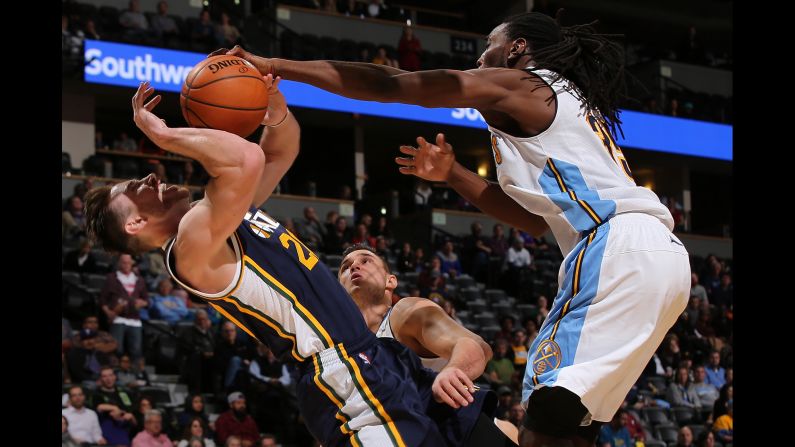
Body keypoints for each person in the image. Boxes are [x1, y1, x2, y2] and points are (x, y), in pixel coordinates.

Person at [219, 10, 690, 446]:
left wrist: (276, 64)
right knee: (572, 424)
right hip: (660, 261)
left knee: (542, 415)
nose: (480, 57)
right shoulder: (556, 106)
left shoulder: (525, 85)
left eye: (489, 45)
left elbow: (393, 84)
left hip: (615, 247)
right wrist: (453, 175)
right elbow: (534, 222)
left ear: (516, 48)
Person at [84, 78, 447, 446]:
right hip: (343, 374)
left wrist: (272, 107)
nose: (148, 177)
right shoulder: (188, 245)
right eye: (134, 188)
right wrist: (165, 135)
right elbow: (247, 158)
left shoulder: (215, 216)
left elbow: (277, 153)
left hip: (365, 357)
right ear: (136, 224)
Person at [339, 244, 518, 446]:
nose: (354, 266)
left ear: (391, 281)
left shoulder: (403, 313)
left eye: (365, 260)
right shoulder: (341, 353)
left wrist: (453, 370)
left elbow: (475, 345)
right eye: (346, 267)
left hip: (458, 429)